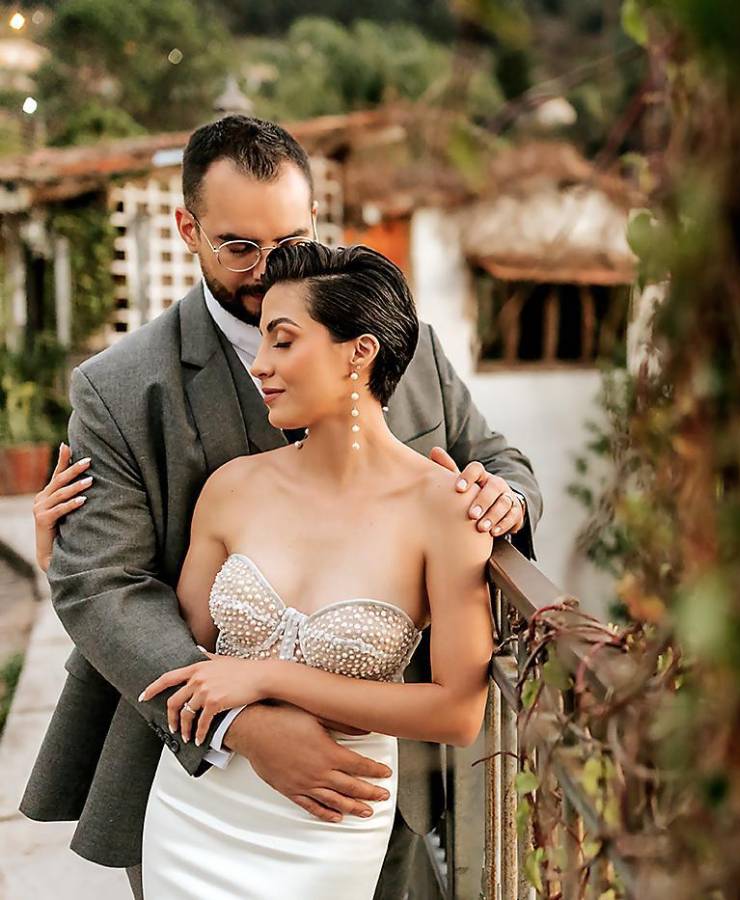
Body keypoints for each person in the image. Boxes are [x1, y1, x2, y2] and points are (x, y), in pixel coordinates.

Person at [20, 115, 542, 899]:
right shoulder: (119, 389)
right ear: (187, 230)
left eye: (290, 239)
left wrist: (505, 499)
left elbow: (496, 458)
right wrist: (244, 725)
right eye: (240, 247)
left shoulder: (405, 343)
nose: (269, 268)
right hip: (202, 771)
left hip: (383, 783)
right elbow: (108, 587)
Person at [131, 241, 493, 897]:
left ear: (359, 352)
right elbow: (177, 646)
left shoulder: (446, 509)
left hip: (333, 810)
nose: (260, 366)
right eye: (261, 344)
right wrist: (55, 558)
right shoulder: (232, 488)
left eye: (283, 342)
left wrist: (271, 675)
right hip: (199, 803)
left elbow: (458, 712)